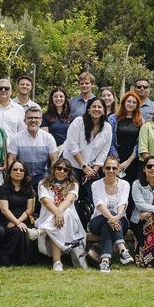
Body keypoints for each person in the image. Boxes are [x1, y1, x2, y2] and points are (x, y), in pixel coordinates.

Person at [64, 97, 112, 226]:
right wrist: (84, 166)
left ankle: (96, 224)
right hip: (72, 164)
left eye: (99, 107)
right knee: (72, 195)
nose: (96, 109)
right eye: (94, 106)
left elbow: (104, 151)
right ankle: (71, 226)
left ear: (104, 110)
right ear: (89, 109)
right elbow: (72, 146)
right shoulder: (78, 122)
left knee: (95, 195)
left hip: (92, 168)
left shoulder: (107, 127)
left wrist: (94, 170)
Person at [36, 157, 88, 271]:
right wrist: (58, 213)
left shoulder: (73, 184)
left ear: (69, 172)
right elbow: (45, 201)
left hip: (70, 221)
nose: (62, 171)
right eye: (59, 168)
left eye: (66, 170)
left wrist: (59, 212)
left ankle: (56, 261)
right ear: (54, 169)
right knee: (60, 220)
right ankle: (57, 263)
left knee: (67, 212)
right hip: (48, 218)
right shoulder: (43, 183)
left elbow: (69, 200)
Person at [0, 160, 39, 266]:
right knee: (17, 231)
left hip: (23, 219)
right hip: (6, 220)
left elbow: (30, 209)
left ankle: (26, 260)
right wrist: (16, 222)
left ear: (25, 173)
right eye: (15, 169)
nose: (18, 172)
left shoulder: (29, 189)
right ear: (9, 172)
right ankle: (6, 260)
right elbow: (4, 210)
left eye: (21, 170)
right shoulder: (3, 189)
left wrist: (18, 222)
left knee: (28, 230)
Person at [7, 107, 57, 189]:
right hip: (22, 178)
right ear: (24, 121)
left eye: (36, 118)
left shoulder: (48, 137)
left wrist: (51, 178)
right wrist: (12, 177)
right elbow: (11, 159)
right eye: (30, 118)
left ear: (41, 120)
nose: (33, 120)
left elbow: (54, 159)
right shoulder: (16, 138)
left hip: (43, 177)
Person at [109, 91, 143, 181]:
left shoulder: (140, 121)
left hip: (133, 157)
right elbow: (110, 141)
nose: (131, 104)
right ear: (124, 102)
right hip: (116, 156)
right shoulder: (113, 118)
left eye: (134, 102)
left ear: (137, 105)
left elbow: (140, 142)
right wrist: (116, 160)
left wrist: (129, 161)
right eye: (129, 101)